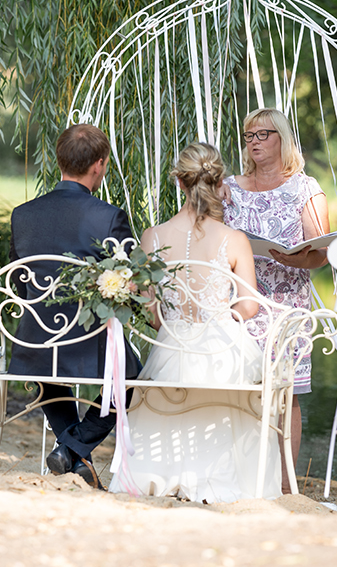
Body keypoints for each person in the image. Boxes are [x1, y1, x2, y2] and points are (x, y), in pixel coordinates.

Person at [109, 143, 282, 503]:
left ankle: (159, 477)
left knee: (160, 396)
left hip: (172, 347)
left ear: (179, 183)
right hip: (222, 350)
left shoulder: (152, 237)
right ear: (220, 183)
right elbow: (249, 306)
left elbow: (147, 306)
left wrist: (173, 323)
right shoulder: (234, 239)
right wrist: (219, 319)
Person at [8, 123, 140, 488]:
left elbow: (17, 280)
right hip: (85, 339)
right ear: (98, 165)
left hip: (34, 341)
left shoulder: (23, 214)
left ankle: (71, 452)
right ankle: (73, 448)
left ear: (59, 160)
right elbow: (131, 279)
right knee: (132, 376)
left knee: (49, 377)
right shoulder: (109, 217)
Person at [222, 108, 330, 493]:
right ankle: (240, 476)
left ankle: (286, 486)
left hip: (287, 305)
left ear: (281, 138)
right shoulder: (230, 188)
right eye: (249, 135)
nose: (253, 142)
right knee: (238, 390)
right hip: (240, 303)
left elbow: (321, 250)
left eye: (262, 134)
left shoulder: (304, 188)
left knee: (288, 395)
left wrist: (299, 258)